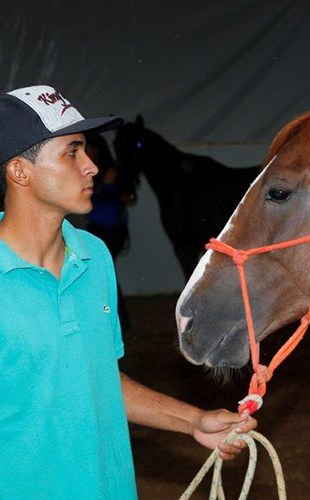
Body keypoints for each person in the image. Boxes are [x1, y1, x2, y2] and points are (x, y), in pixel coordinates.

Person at [0, 85, 257, 498]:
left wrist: (191, 421)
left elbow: (97, 379)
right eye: (72, 152)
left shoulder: (93, 255)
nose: (92, 167)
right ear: (20, 171)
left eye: (86, 150)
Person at [84, 132, 134, 329]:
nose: (85, 152)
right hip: (99, 228)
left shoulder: (109, 171)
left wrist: (112, 188)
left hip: (109, 230)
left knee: (104, 272)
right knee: (103, 272)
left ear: (96, 150)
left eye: (87, 148)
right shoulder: (90, 171)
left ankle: (120, 319)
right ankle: (118, 319)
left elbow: (125, 195)